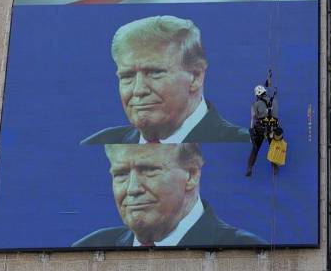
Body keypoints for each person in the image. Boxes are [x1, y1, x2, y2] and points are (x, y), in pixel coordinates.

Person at [81, 16, 248, 144]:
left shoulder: (243, 144)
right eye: (127, 76)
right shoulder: (98, 143)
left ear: (195, 76)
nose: (138, 90)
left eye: (154, 72)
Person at [73, 144, 266, 248]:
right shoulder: (89, 247)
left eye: (148, 170)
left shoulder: (245, 249)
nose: (132, 189)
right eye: (121, 174)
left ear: (191, 174)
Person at [245, 74, 281, 177]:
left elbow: (253, 118)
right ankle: (275, 167)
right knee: (272, 147)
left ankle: (249, 168)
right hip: (272, 128)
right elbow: (276, 116)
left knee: (255, 149)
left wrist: (252, 130)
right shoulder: (274, 101)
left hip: (260, 128)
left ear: (257, 95)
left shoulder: (255, 104)